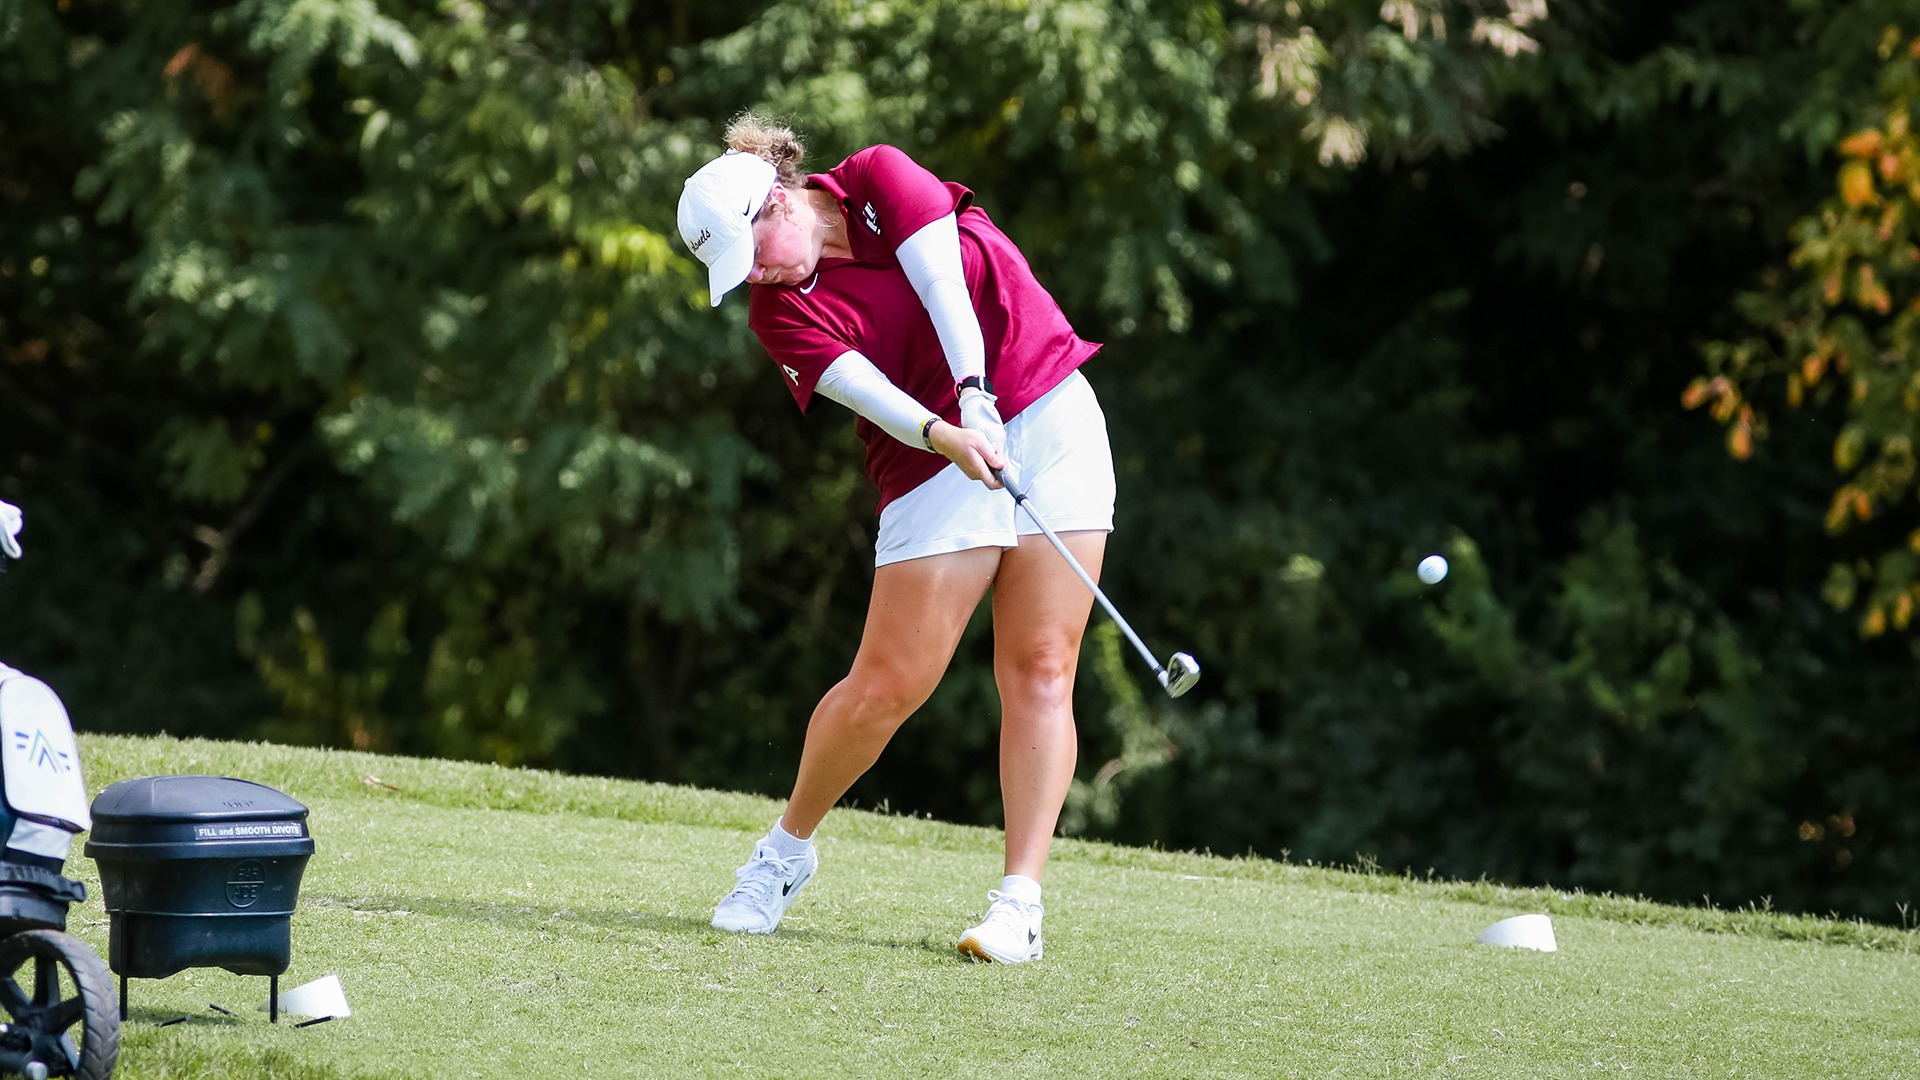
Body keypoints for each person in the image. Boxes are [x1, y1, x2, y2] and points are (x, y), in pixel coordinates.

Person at [676, 114, 1114, 963]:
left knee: (1042, 666)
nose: (757, 274)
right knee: (887, 686)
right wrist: (952, 430)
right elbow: (872, 395)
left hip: (1049, 407)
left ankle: (1018, 905)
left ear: (780, 200)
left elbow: (946, 287)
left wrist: (977, 392)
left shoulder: (879, 179)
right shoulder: (777, 312)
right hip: (930, 461)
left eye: (753, 250)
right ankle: (783, 854)